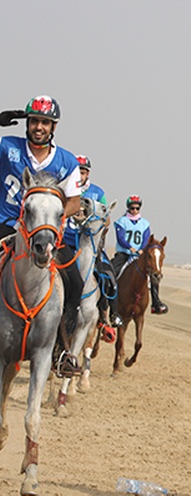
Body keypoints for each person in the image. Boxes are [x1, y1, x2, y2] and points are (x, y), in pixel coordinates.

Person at [0, 96, 82, 375]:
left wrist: (53, 220)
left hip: (45, 233)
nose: (38, 126)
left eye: (44, 122)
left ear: (53, 126)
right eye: (34, 120)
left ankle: (62, 351)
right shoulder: (7, 147)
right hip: (6, 224)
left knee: (76, 285)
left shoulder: (67, 161)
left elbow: (74, 201)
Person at [62, 155, 123, 328]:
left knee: (109, 276)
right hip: (64, 242)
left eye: (83, 172)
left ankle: (109, 315)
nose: (80, 175)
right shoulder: (64, 188)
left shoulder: (98, 193)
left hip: (88, 244)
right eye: (77, 171)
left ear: (88, 173)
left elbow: (107, 219)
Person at [112, 195, 168, 314]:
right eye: (132, 208)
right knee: (111, 273)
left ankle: (156, 302)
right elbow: (120, 237)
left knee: (153, 275)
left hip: (140, 256)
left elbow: (146, 237)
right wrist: (130, 247)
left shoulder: (145, 224)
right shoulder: (121, 221)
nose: (134, 210)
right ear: (128, 208)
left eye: (137, 208)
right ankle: (108, 302)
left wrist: (142, 249)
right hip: (124, 254)